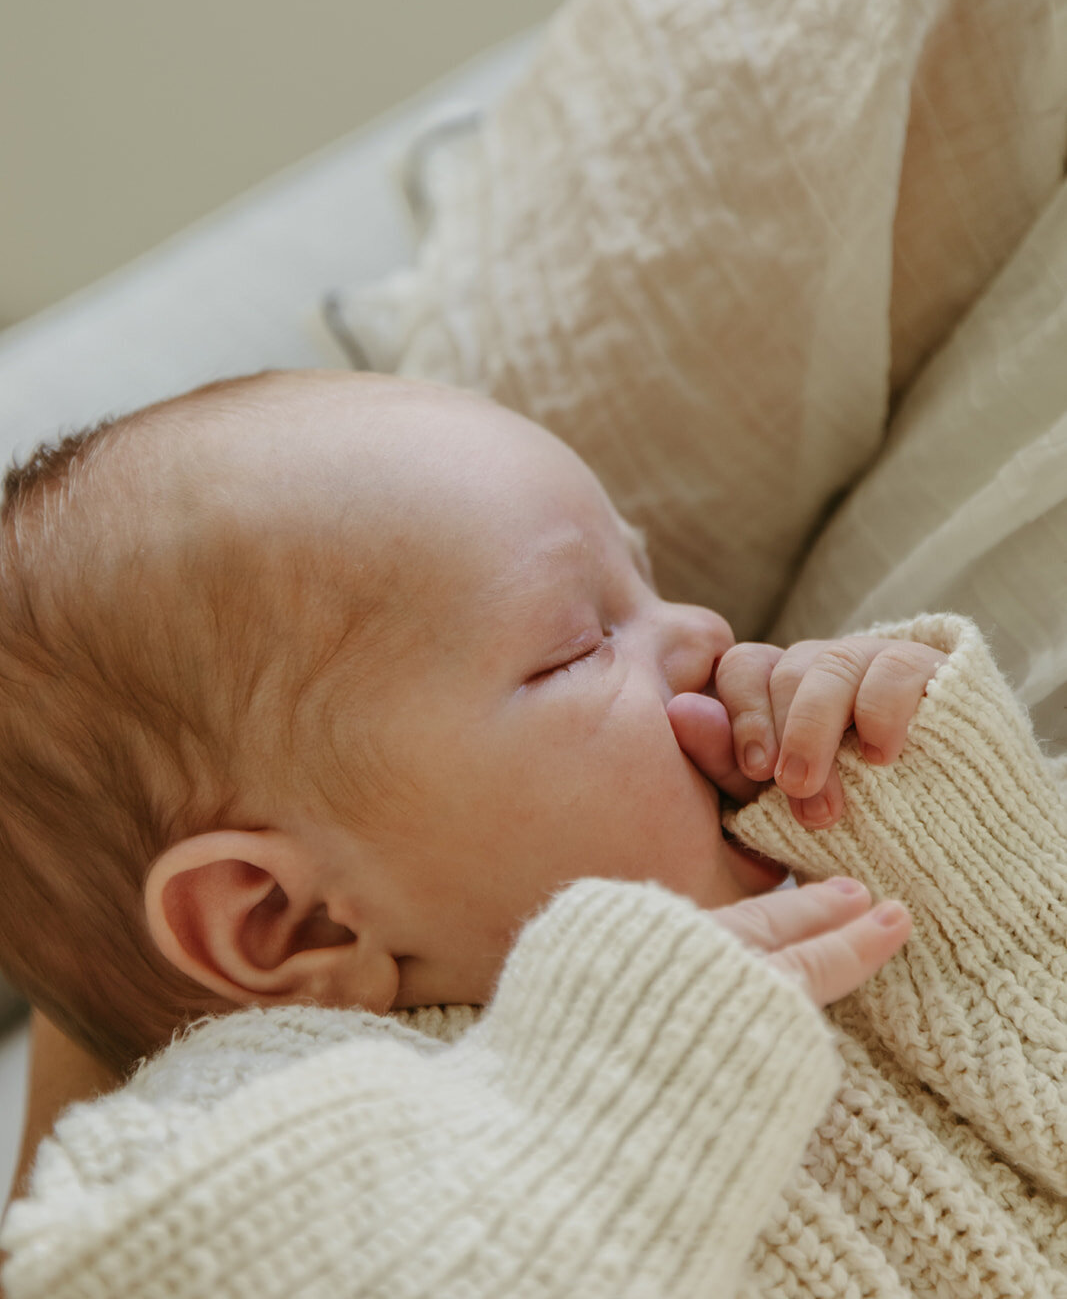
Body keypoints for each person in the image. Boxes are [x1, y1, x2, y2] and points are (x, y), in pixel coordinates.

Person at [1, 368, 1065, 1298]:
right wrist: (583, 1108)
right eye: (576, 645)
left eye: (644, 583)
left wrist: (941, 830)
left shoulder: (778, 895)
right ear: (287, 921)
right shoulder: (252, 1117)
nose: (702, 631)